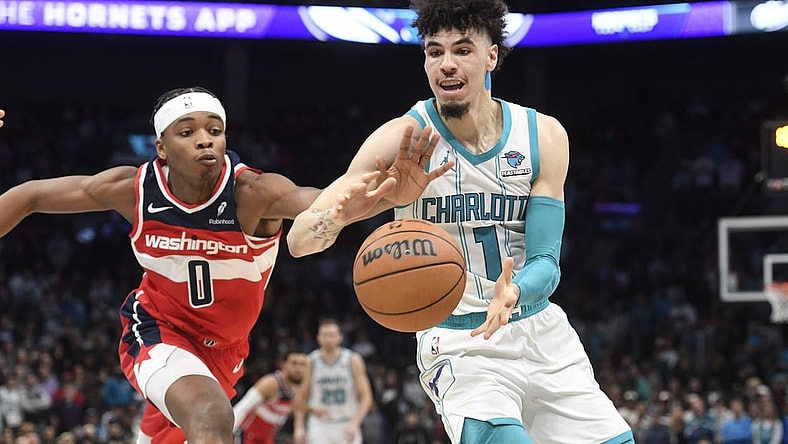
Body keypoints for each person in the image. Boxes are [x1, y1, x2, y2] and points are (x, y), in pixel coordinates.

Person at [0, 87, 440, 444]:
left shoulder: (253, 193)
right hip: (157, 329)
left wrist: (385, 197)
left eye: (214, 129)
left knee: (181, 432)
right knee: (212, 419)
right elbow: (30, 197)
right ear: (162, 148)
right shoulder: (131, 189)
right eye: (187, 132)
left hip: (226, 349)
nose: (205, 139)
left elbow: (323, 203)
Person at [285, 0, 635, 442]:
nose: (446, 64)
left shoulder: (542, 134)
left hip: (540, 330)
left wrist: (514, 291)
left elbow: (546, 262)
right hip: (457, 342)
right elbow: (299, 242)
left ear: (492, 56)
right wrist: (347, 213)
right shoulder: (403, 138)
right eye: (435, 52)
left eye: (463, 50)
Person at [292, 318, 373, 444]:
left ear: (340, 337)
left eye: (332, 335)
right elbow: (301, 396)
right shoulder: (310, 361)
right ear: (318, 337)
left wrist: (355, 423)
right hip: (320, 424)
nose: (328, 339)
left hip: (347, 422)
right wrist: (299, 427)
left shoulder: (353, 360)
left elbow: (366, 396)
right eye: (324, 335)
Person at [232, 350, 308, 444]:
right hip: (248, 435)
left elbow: (299, 408)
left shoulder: (298, 388)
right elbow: (243, 406)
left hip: (267, 438)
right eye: (294, 363)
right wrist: (225, 432)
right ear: (283, 364)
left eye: (302, 364)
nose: (298, 368)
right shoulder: (271, 383)